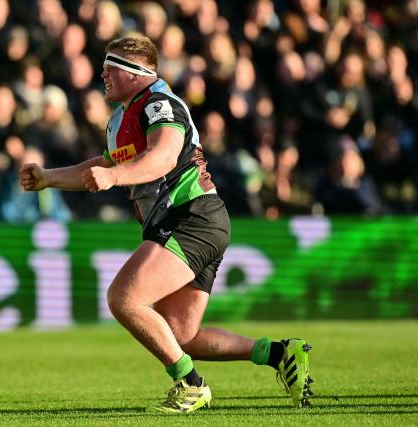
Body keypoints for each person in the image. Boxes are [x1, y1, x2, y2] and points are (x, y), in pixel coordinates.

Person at [19, 36, 313, 413]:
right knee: (181, 334)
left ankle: (190, 385)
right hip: (196, 220)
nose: (103, 73)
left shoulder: (159, 103)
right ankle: (279, 354)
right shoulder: (121, 118)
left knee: (124, 298)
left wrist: (116, 177)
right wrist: (47, 177)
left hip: (191, 215)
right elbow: (103, 167)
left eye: (112, 67)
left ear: (138, 74)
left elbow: (163, 156)